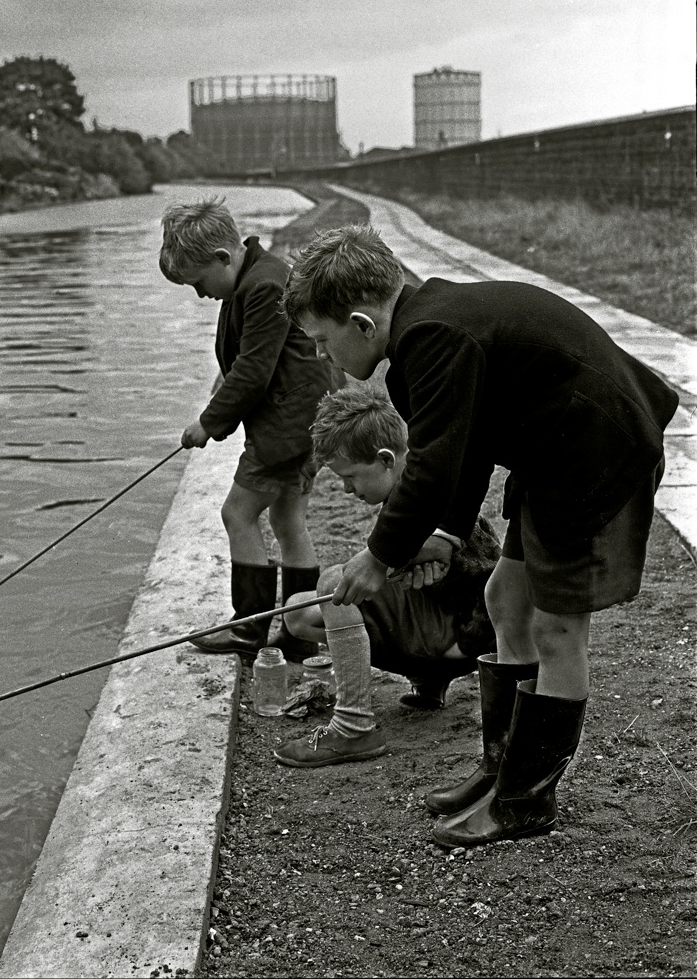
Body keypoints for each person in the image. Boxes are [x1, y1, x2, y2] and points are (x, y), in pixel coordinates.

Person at [280, 223, 679, 847]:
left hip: (598, 452)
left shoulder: (433, 335)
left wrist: (379, 557)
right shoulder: (421, 337)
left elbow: (435, 464)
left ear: (361, 323)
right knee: (503, 600)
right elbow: (463, 457)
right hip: (554, 454)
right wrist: (442, 534)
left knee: (556, 627)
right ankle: (502, 769)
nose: (324, 357)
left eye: (322, 341)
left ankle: (525, 802)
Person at [273, 384, 501, 768]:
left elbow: (489, 579)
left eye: (350, 477)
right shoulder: (402, 499)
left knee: (332, 584)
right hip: (438, 631)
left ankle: (352, 726)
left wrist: (467, 644)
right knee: (297, 611)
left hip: (462, 642)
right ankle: (428, 682)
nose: (346, 490)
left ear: (384, 459)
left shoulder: (432, 506)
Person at [159, 197, 335, 660]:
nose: (200, 294)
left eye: (199, 282)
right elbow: (249, 361)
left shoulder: (263, 286)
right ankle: (301, 631)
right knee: (287, 518)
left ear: (223, 257)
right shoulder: (259, 275)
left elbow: (254, 370)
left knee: (237, 514)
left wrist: (207, 422)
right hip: (302, 420)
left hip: (288, 424)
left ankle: (248, 627)